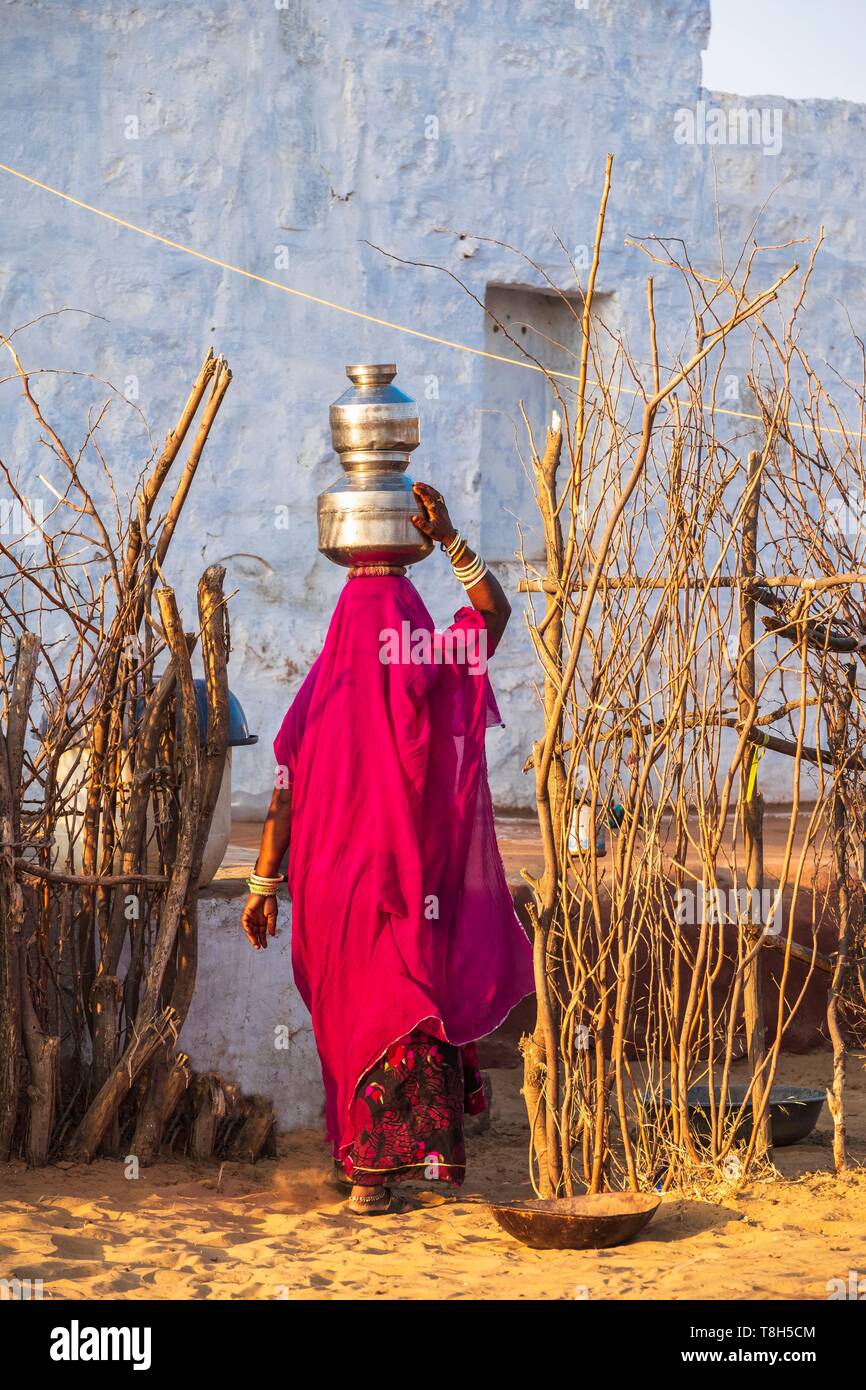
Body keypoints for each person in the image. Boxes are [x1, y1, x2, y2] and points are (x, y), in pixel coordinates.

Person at [241, 483, 533, 1214]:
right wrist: (453, 542)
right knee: (405, 1001)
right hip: (408, 888)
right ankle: (402, 1165)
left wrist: (261, 886)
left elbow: (282, 794)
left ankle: (362, 1169)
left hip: (332, 894)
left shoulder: (316, 696)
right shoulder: (424, 662)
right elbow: (493, 616)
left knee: (349, 1016)